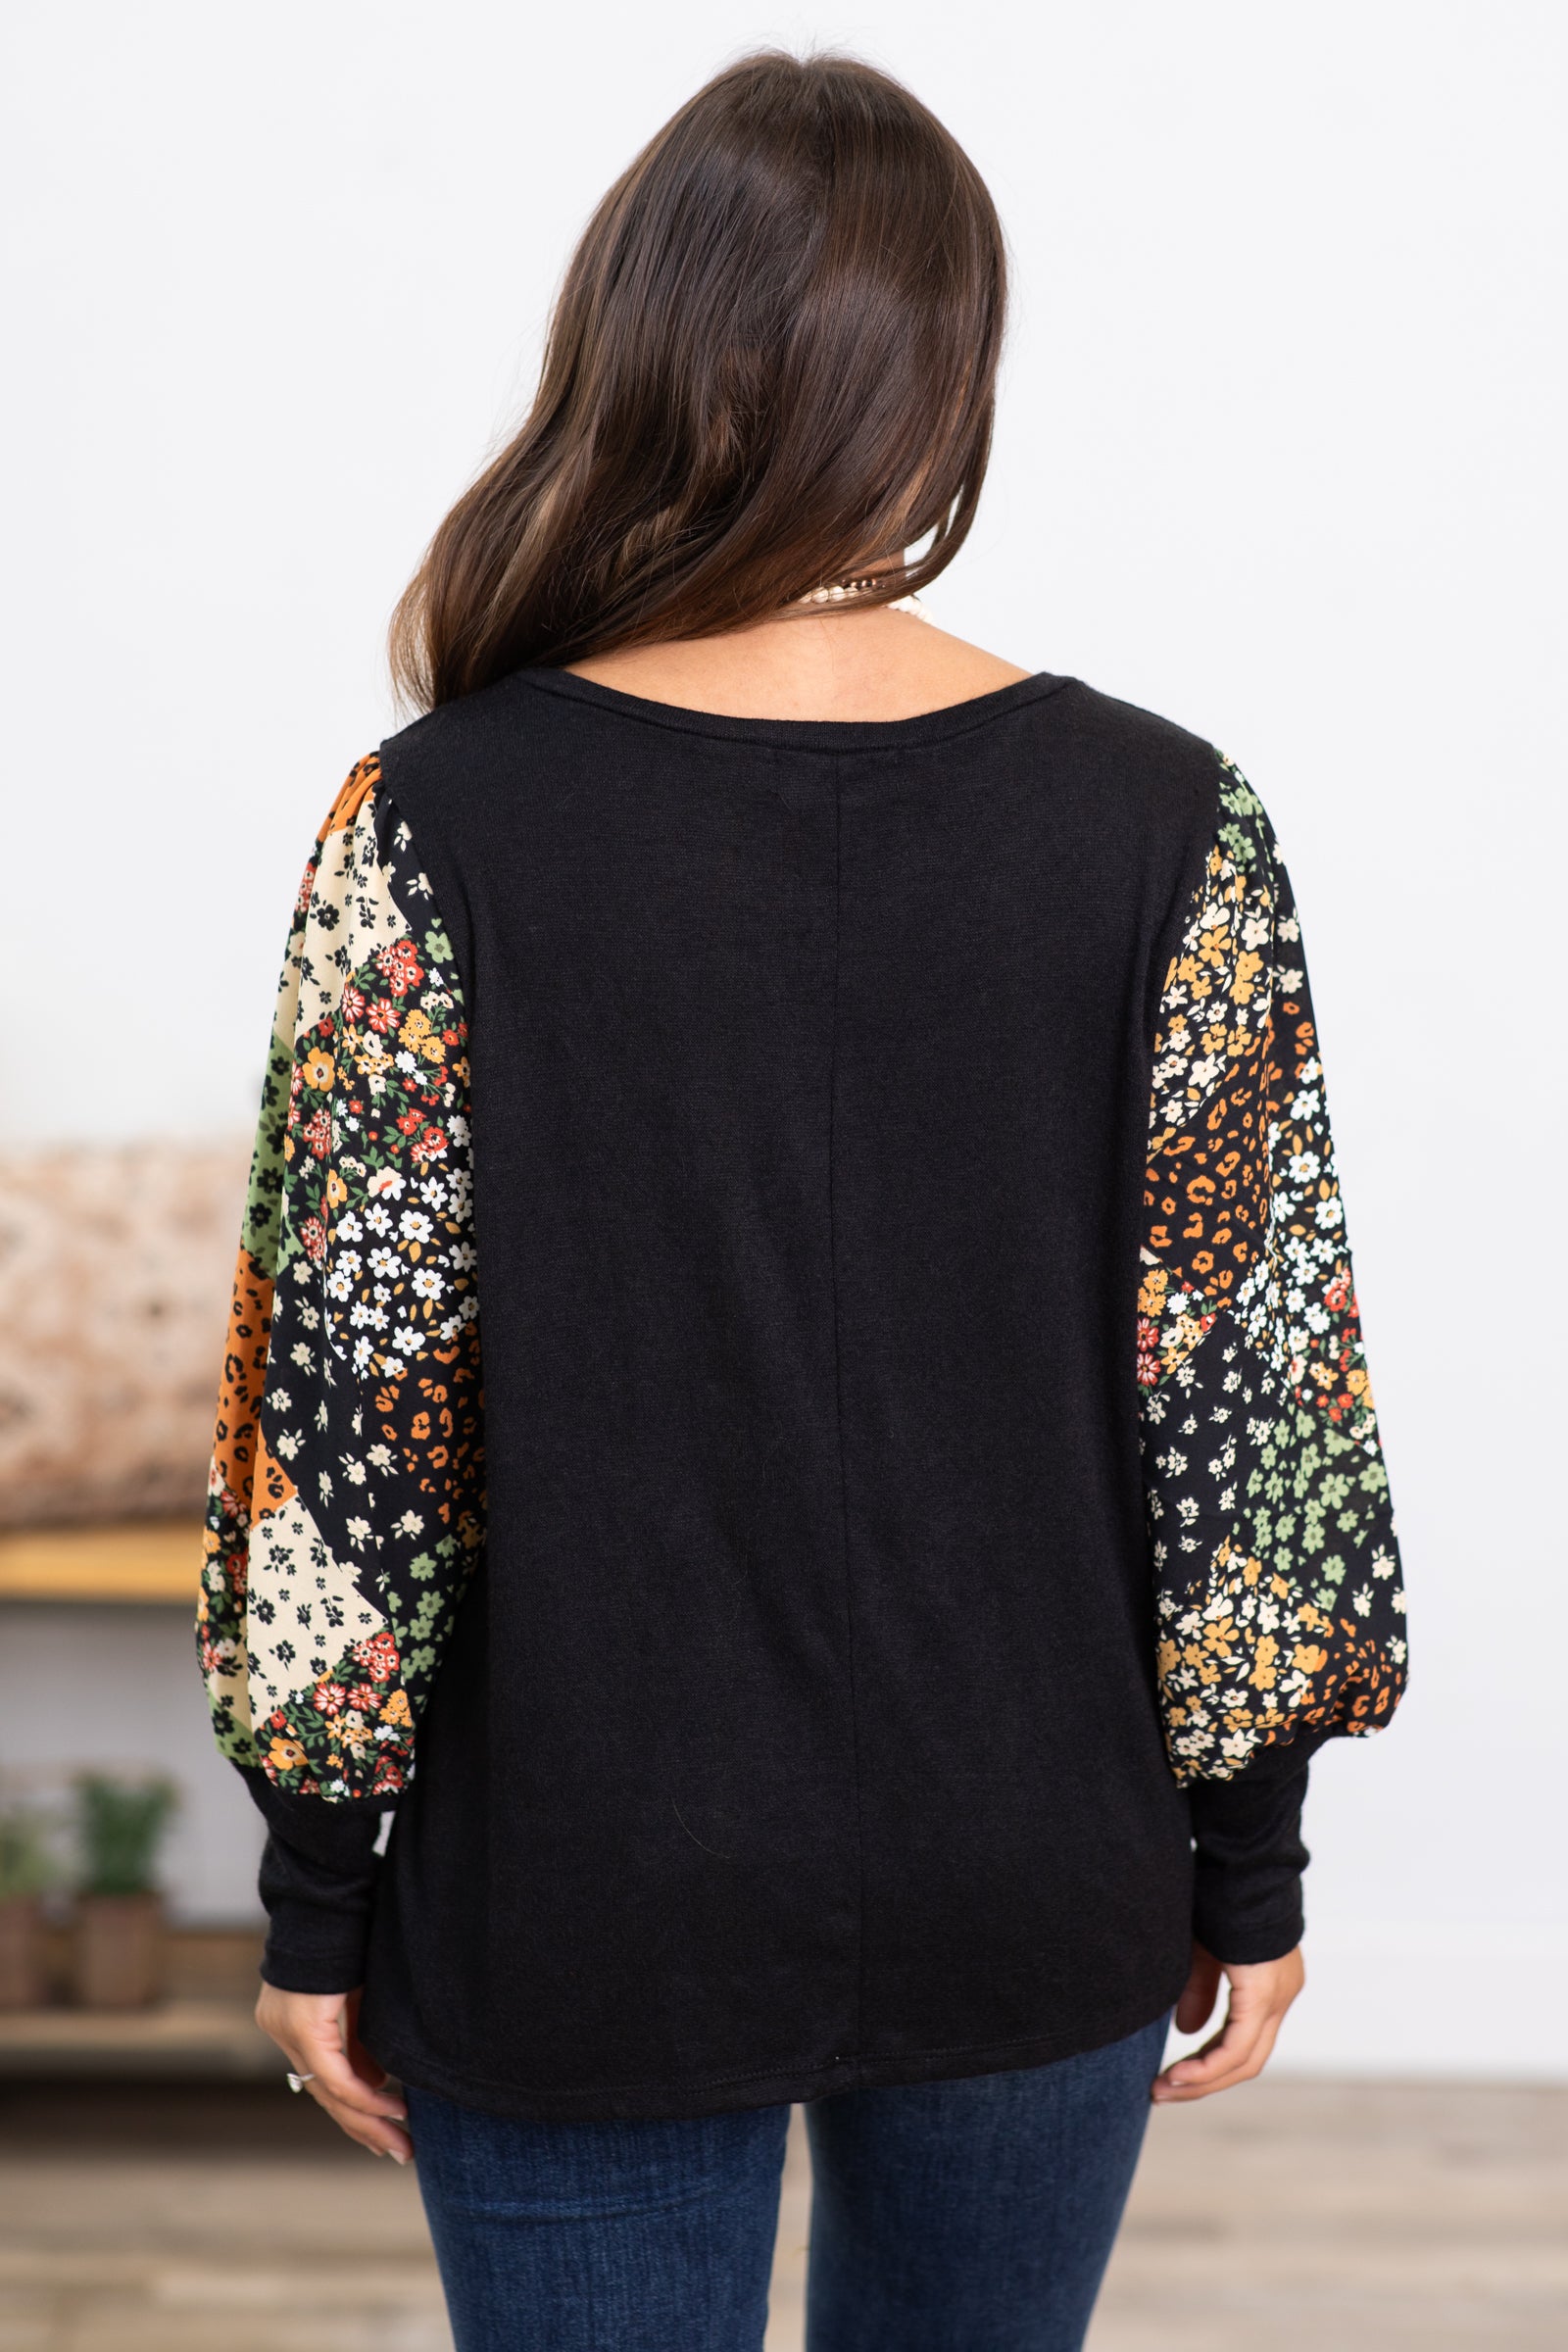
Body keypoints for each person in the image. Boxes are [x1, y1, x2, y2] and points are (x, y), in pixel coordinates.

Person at [194, 48, 1407, 2352]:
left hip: (584, 1876)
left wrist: (318, 1893)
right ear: (947, 381)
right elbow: (1251, 1417)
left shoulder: (433, 821)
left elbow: (352, 1430)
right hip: (1033, 1855)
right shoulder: (1168, 823)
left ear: (635, 354)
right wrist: (1245, 1857)